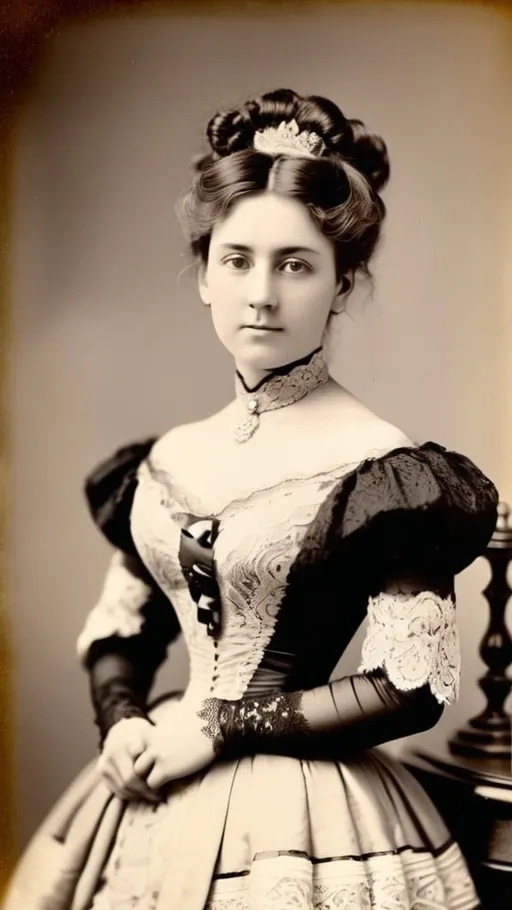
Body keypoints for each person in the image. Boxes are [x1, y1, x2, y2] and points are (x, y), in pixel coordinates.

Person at [3, 87, 499, 910]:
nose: (260, 294)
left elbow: (409, 685)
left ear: (343, 284)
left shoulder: (384, 470)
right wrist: (124, 721)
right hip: (148, 777)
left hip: (304, 810)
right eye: (236, 260)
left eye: (295, 264)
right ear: (203, 275)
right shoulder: (168, 457)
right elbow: (124, 629)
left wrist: (220, 725)